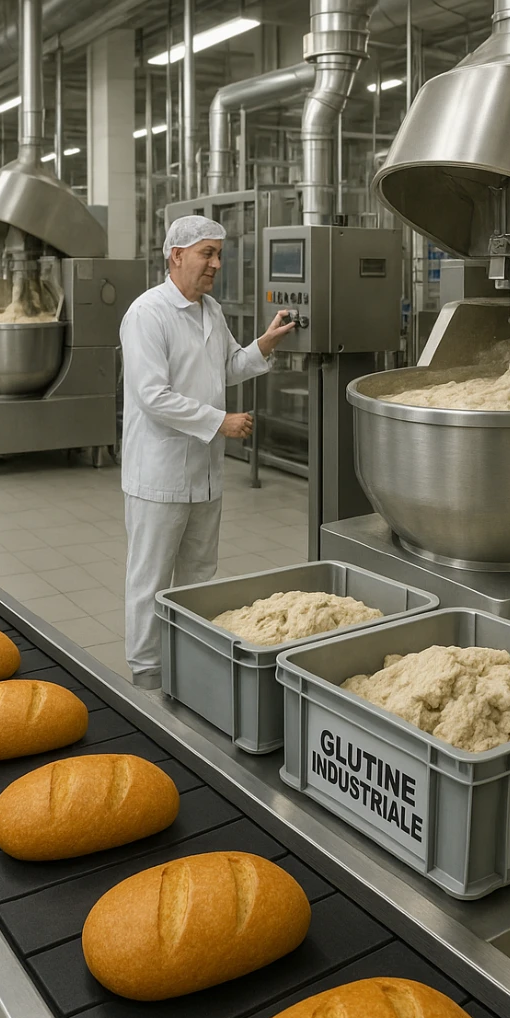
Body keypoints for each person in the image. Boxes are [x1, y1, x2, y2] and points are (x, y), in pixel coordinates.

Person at [120, 215, 296, 689]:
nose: (217, 263)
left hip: (204, 473)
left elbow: (227, 368)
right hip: (158, 474)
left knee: (200, 575)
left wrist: (265, 343)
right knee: (151, 579)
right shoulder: (147, 313)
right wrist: (220, 422)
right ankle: (147, 672)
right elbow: (151, 395)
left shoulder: (210, 310)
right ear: (176, 256)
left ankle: (190, 663)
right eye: (207, 253)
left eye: (219, 254)